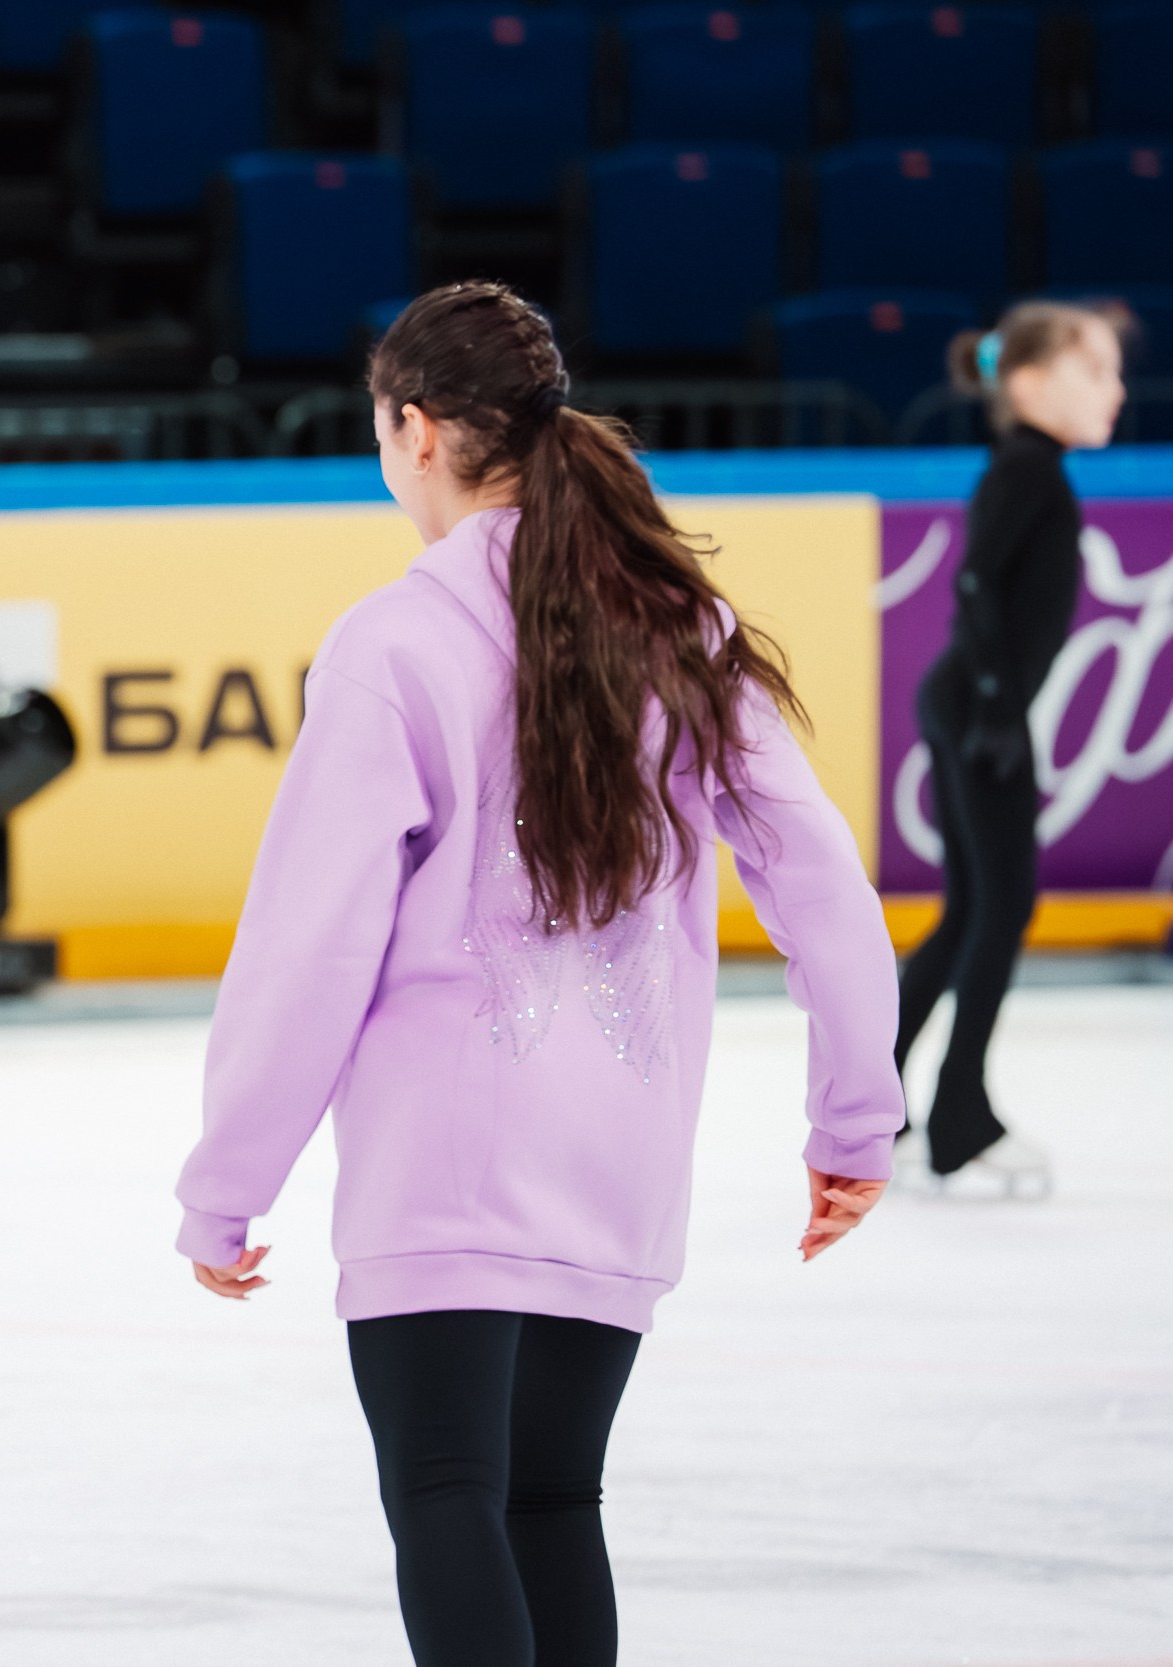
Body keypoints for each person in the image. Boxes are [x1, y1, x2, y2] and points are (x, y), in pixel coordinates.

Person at [174, 283, 904, 1667]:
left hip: (449, 1161)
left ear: (417, 429)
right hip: (620, 1152)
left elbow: (308, 943)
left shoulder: (394, 640)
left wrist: (229, 1180)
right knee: (554, 1500)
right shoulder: (680, 626)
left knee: (449, 1496)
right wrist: (854, 1118)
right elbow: (819, 874)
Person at [892, 302, 1125, 1197]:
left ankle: (885, 1103)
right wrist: (996, 705)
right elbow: (978, 574)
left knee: (970, 911)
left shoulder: (1033, 468)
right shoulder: (1031, 468)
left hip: (968, 701)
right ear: (1030, 382)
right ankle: (957, 1116)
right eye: (1094, 370)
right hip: (979, 709)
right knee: (1002, 907)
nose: (1113, 390)